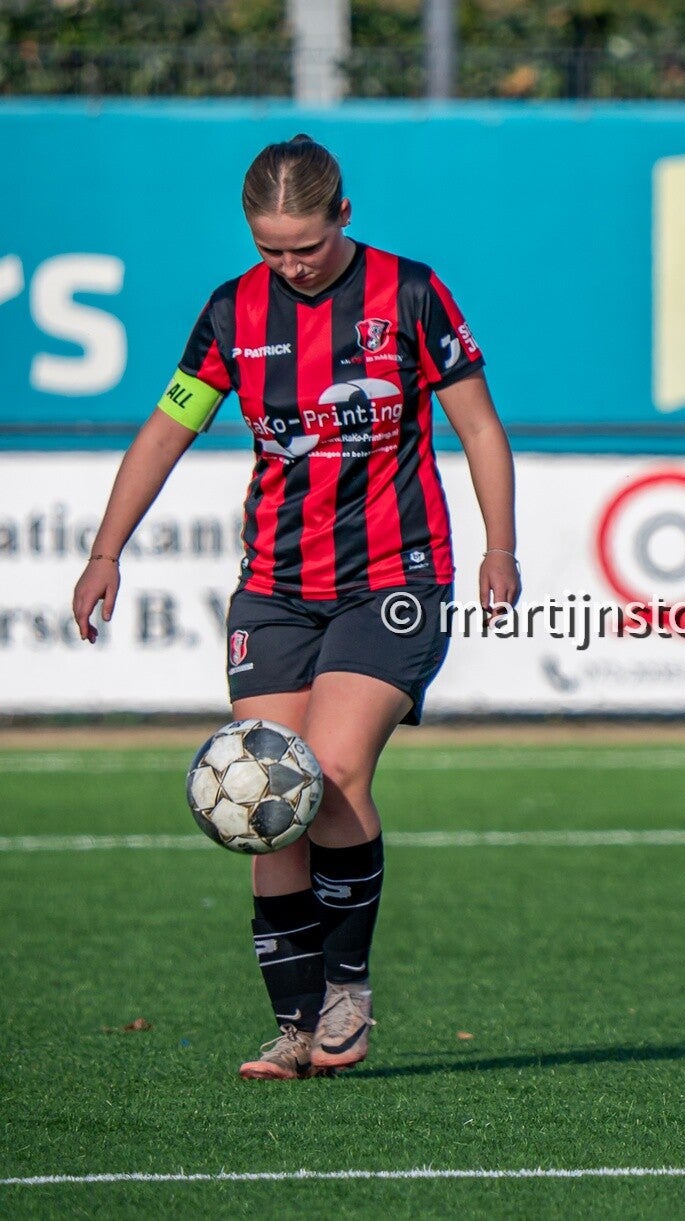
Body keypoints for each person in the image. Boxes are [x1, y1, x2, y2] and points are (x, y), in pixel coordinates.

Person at [72, 134, 519, 1080]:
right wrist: (106, 550)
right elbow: (167, 428)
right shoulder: (229, 311)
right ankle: (293, 1022)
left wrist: (499, 547)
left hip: (393, 578)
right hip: (274, 586)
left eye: (306, 246)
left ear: (343, 215)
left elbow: (479, 426)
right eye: (270, 249)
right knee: (266, 795)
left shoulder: (410, 293)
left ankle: (347, 988)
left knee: (335, 772)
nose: (290, 265)